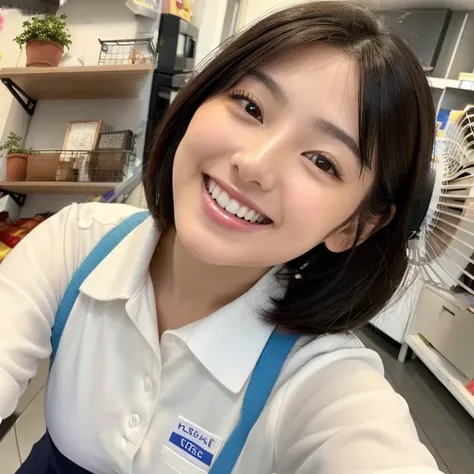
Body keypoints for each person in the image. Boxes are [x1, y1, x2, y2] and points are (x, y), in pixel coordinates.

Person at [0, 2, 441, 473]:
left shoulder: (323, 384)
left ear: (354, 226)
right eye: (250, 106)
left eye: (321, 160)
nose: (254, 164)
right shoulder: (76, 244)